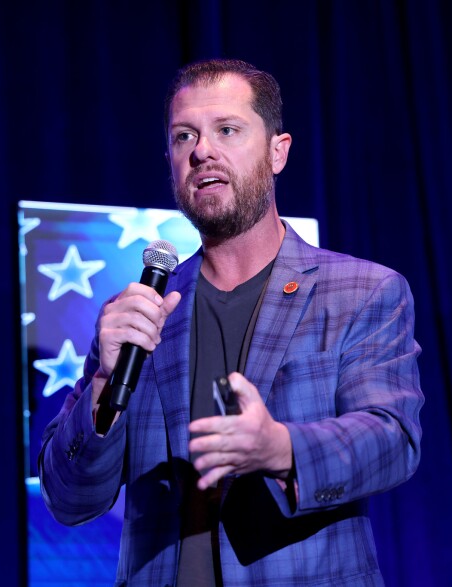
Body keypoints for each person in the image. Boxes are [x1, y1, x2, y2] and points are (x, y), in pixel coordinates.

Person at [39, 58, 424, 587]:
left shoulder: (362, 291)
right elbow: (67, 496)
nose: (201, 150)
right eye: (183, 137)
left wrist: (280, 449)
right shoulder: (140, 313)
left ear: (277, 151)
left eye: (227, 130)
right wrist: (105, 383)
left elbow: (393, 439)